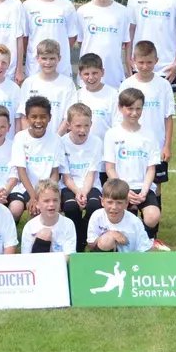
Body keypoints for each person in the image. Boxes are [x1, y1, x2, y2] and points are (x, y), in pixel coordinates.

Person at [103, 87, 166, 249]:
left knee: (152, 217)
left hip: (142, 187)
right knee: (123, 218)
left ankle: (147, 242)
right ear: (120, 108)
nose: (134, 113)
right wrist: (124, 190)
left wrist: (144, 191)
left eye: (138, 108)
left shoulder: (149, 134)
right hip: (121, 188)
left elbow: (151, 168)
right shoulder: (112, 134)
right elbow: (110, 168)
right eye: (129, 108)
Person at [118, 40, 176, 205]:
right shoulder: (127, 84)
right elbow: (120, 115)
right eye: (141, 62)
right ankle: (133, 223)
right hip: (132, 144)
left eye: (149, 62)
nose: (145, 66)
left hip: (156, 144)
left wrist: (167, 145)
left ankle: (153, 227)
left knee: (156, 186)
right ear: (133, 60)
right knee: (132, 182)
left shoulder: (163, 85)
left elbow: (168, 117)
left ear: (156, 61)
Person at [23, 0, 81, 78]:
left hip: (61, 69)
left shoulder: (67, 6)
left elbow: (71, 38)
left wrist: (56, 53)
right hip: (35, 69)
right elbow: (25, 39)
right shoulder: (27, 6)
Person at [59, 102, 104, 248]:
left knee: (94, 205)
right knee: (71, 208)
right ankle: (77, 240)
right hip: (69, 186)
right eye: (78, 126)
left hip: (90, 185)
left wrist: (84, 192)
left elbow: (92, 173)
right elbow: (66, 176)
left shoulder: (96, 142)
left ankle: (84, 234)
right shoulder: (61, 143)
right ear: (69, 125)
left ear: (91, 124)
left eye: (86, 125)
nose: (82, 130)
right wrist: (77, 192)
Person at [9, 95, 61, 222]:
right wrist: (34, 196)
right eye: (34, 117)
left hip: (46, 189)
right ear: (27, 118)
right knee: (15, 208)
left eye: (43, 116)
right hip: (26, 187)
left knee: (39, 210)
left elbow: (55, 172)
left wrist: (46, 194)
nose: (38, 121)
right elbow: (21, 171)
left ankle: (37, 238)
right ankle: (11, 238)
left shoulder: (56, 139)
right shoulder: (20, 138)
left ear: (49, 118)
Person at [78, 0, 132, 84]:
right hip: (88, 76)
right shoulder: (82, 11)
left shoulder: (123, 12)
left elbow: (126, 41)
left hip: (114, 74)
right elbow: (81, 41)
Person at [20, 39, 76, 134]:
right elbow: (23, 115)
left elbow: (68, 117)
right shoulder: (29, 83)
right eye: (44, 58)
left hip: (58, 140)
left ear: (59, 58)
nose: (48, 63)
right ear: (38, 58)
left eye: (52, 58)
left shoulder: (67, 84)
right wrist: (30, 138)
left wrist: (55, 139)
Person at [87, 179, 151, 253]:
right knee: (107, 240)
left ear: (127, 203)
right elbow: (91, 244)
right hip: (104, 260)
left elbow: (144, 249)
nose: (114, 207)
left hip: (129, 260)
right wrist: (111, 234)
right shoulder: (97, 216)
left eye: (119, 203)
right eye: (110, 202)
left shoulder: (135, 222)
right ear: (102, 201)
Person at [73, 53, 122, 142]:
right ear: (80, 75)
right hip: (81, 148)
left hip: (105, 148)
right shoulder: (77, 95)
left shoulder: (113, 94)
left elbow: (118, 124)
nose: (91, 78)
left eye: (95, 73)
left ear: (102, 72)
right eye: (86, 74)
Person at [21, 180, 78, 254]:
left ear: (60, 201)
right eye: (46, 201)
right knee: (45, 234)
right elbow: (26, 257)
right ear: (37, 203)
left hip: (60, 264)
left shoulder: (68, 224)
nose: (51, 204)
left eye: (55, 200)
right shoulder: (30, 226)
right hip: (36, 263)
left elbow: (69, 255)